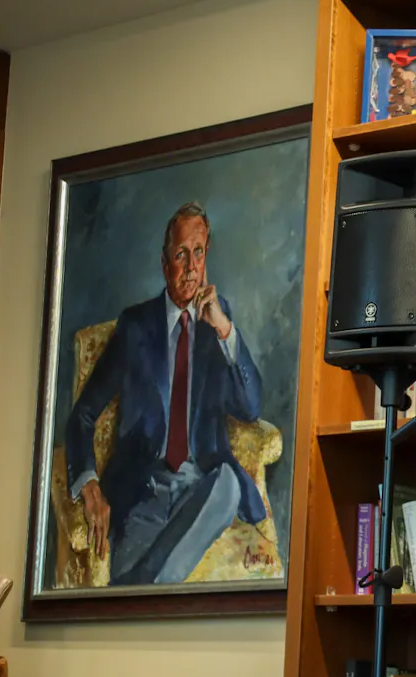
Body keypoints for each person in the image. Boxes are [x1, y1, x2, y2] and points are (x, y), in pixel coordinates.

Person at [64, 201, 268, 585]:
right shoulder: (136, 326)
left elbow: (251, 408)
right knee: (128, 583)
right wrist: (89, 483)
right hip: (143, 494)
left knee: (227, 484)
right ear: (164, 263)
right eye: (180, 255)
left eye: (198, 253)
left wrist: (225, 331)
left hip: (202, 488)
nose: (191, 267)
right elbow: (83, 414)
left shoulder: (218, 320)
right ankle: (148, 584)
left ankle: (143, 587)